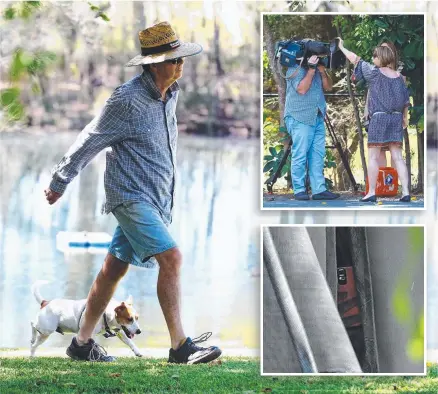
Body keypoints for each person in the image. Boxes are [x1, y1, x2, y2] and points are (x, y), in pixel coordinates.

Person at [44, 22, 222, 364]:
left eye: (181, 59)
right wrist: (60, 180)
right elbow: (92, 137)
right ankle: (180, 347)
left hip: (156, 198)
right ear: (153, 63)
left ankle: (81, 345)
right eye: (173, 60)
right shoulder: (127, 99)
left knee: (113, 270)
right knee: (171, 258)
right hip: (130, 196)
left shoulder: (172, 94)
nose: (180, 65)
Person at [338, 38, 411, 202]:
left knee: (373, 157)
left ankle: (371, 192)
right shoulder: (399, 77)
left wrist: (342, 47)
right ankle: (406, 191)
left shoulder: (375, 73)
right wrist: (404, 117)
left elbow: (355, 59)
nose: (373, 59)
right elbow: (406, 100)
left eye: (375, 56)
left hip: (379, 118)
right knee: (398, 157)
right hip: (396, 118)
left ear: (381, 58)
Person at [284, 53, 341, 201]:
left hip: (317, 115)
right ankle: (299, 190)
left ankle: (318, 190)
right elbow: (302, 90)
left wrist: (321, 71)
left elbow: (328, 87)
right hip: (299, 116)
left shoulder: (317, 70)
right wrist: (310, 70)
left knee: (317, 155)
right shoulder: (294, 69)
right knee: (300, 153)